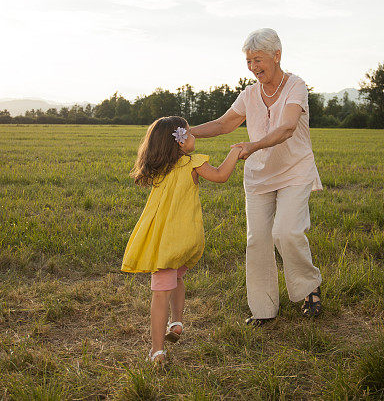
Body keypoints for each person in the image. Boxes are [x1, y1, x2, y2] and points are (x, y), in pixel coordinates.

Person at [189, 28, 324, 327]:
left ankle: (308, 285)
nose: (253, 67)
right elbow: (225, 124)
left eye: (258, 60)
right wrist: (189, 130)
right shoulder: (249, 93)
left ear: (277, 55)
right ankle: (263, 309)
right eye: (249, 61)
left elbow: (288, 127)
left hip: (294, 169)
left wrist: (254, 145)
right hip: (259, 175)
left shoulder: (296, 87)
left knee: (286, 231)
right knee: (257, 240)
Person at [121, 116, 242, 365]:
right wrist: (236, 153)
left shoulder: (159, 166)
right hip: (185, 237)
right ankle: (176, 322)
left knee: (160, 292)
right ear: (179, 141)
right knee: (176, 278)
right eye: (190, 133)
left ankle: (157, 351)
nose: (194, 135)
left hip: (162, 240)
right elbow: (220, 175)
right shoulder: (193, 163)